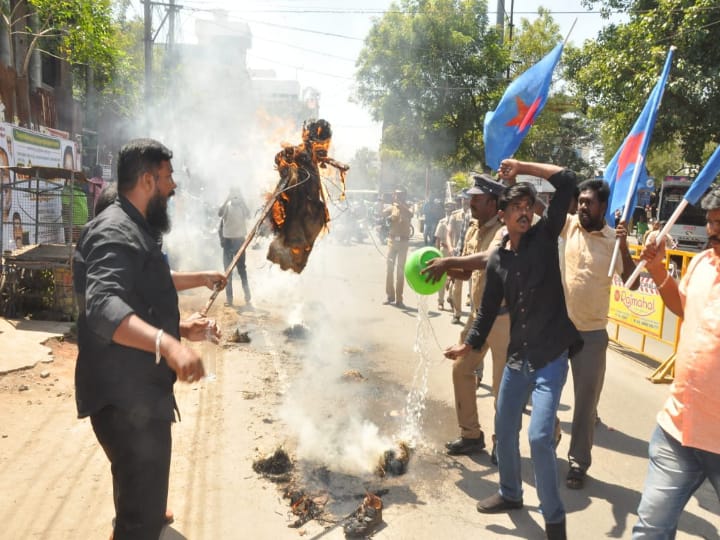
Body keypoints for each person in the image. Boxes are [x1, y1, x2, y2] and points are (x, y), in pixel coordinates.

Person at [73, 138, 227, 540]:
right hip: (125, 402)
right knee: (139, 522)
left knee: (140, 497)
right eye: (167, 177)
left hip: (136, 396)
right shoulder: (114, 230)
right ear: (146, 179)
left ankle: (141, 513)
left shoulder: (136, 229)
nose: (173, 186)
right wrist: (170, 345)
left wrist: (181, 329)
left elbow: (145, 291)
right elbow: (104, 307)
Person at [442, 159, 581, 540]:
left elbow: (568, 179)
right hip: (519, 360)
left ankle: (554, 521)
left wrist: (521, 167)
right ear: (502, 215)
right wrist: (467, 344)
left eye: (528, 206)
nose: (524, 212)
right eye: (516, 207)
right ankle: (510, 493)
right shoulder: (500, 259)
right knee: (504, 429)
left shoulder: (544, 237)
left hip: (550, 358)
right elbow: (487, 310)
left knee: (538, 438)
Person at [633, 185, 720, 538]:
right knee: (650, 529)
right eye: (712, 222)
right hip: (677, 429)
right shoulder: (701, 262)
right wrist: (657, 270)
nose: (713, 231)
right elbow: (681, 306)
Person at [423, 173, 508, 457]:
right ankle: (471, 435)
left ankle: (507, 441)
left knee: (503, 388)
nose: (471, 202)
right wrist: (439, 269)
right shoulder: (474, 228)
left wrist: (448, 261)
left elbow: (488, 260)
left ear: (494, 202)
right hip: (479, 315)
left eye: (477, 199)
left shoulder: (504, 231)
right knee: (461, 369)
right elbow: (468, 270)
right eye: (470, 198)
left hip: (505, 318)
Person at [560, 179, 638, 490]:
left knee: (584, 405)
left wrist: (626, 246)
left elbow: (631, 282)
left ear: (603, 207)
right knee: (544, 393)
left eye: (588, 202)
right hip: (558, 330)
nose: (581, 206)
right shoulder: (569, 227)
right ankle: (548, 438)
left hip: (591, 336)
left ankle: (578, 463)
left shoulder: (612, 242)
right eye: (579, 201)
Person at [218, 188, 252, 307]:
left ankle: (247, 296)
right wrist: (227, 198)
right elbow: (219, 214)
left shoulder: (242, 206)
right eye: (233, 194)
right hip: (228, 242)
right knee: (228, 272)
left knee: (242, 269)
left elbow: (249, 215)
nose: (235, 197)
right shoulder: (227, 206)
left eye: (237, 193)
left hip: (240, 241)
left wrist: (243, 200)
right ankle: (229, 298)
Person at [383, 189, 413, 308]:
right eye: (397, 195)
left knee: (400, 271)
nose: (399, 197)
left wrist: (401, 206)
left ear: (405, 196)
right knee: (389, 269)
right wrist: (382, 205)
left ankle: (399, 299)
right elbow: (383, 213)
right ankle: (390, 296)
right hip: (392, 241)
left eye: (401, 195)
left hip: (403, 242)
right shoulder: (392, 207)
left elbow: (411, 215)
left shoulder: (408, 206)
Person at [447, 193, 471, 323]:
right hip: (459, 252)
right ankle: (457, 313)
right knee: (457, 285)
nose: (465, 201)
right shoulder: (457, 215)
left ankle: (474, 315)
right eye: (463, 198)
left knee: (474, 286)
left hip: (473, 254)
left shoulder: (477, 215)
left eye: (467, 198)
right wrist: (452, 250)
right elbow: (452, 234)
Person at [434, 201, 455, 310]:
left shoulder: (458, 220)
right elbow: (437, 239)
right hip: (443, 250)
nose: (450, 209)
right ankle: (440, 301)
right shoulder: (442, 222)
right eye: (447, 207)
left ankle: (451, 298)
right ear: (445, 209)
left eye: (451, 207)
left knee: (454, 277)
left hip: (454, 252)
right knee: (441, 277)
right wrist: (437, 254)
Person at [61, 177, 89, 243]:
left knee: (78, 244)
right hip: (73, 223)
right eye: (77, 179)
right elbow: (65, 207)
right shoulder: (67, 190)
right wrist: (70, 222)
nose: (80, 181)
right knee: (72, 244)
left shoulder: (80, 190)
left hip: (81, 223)